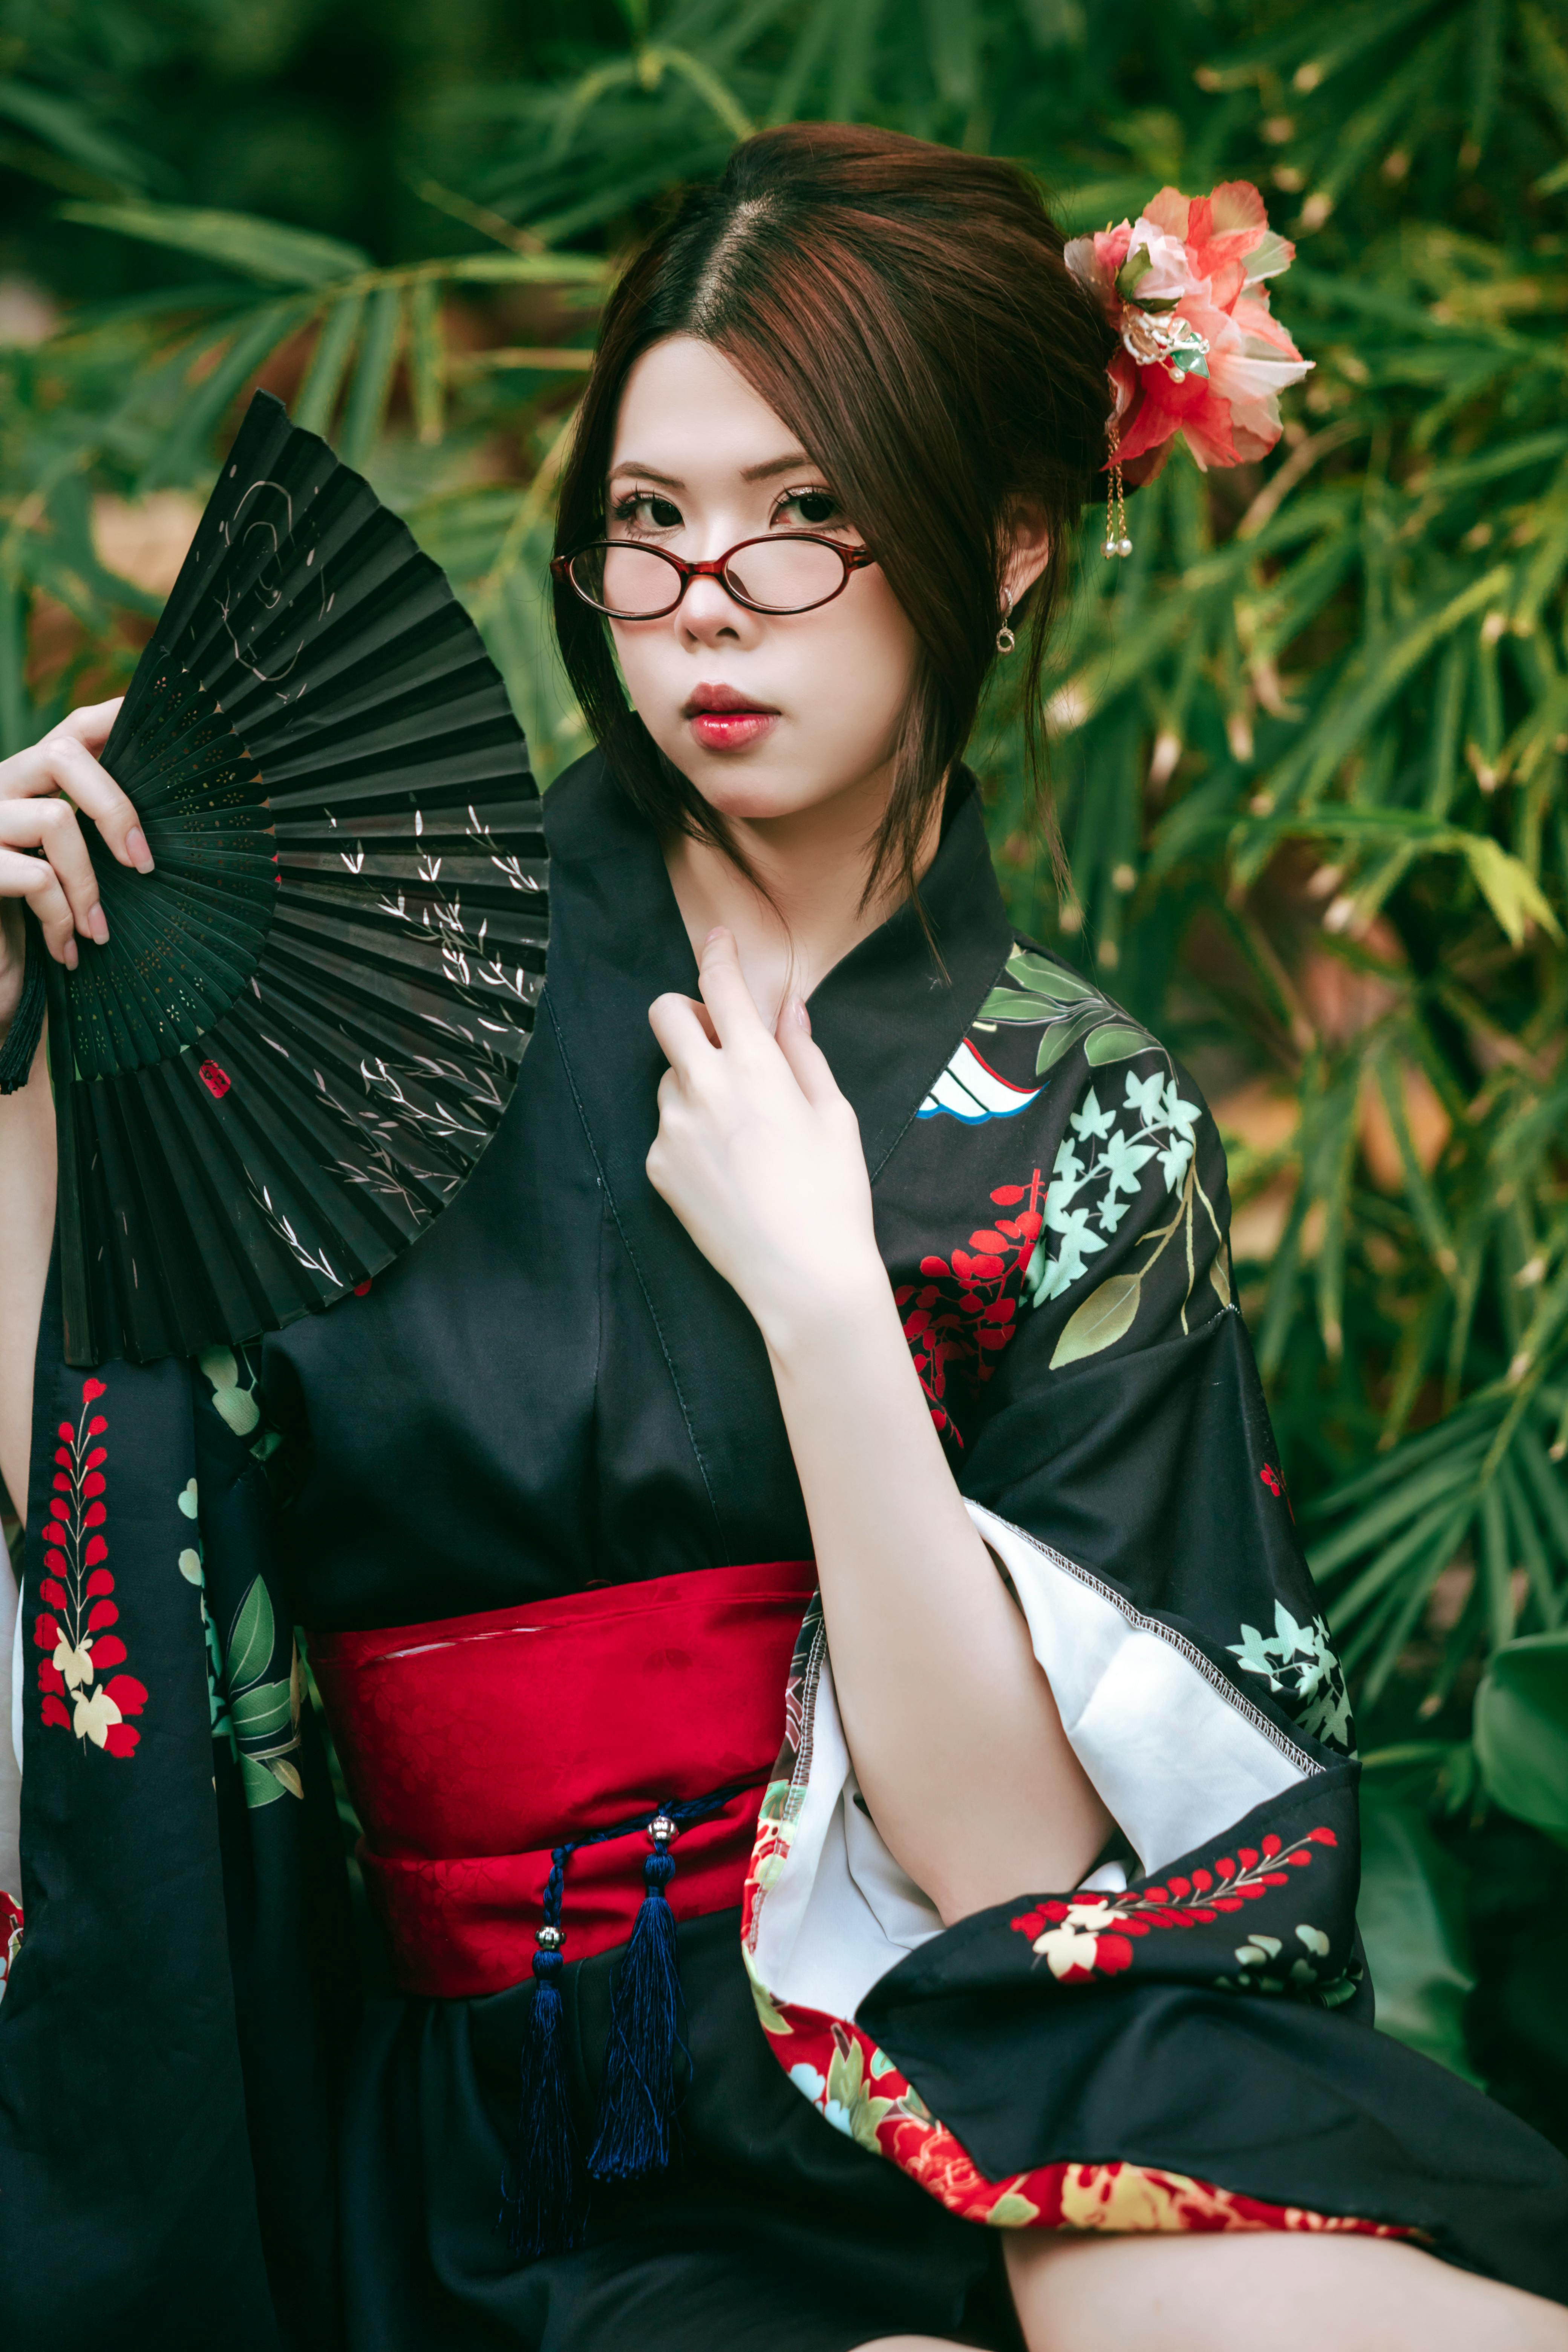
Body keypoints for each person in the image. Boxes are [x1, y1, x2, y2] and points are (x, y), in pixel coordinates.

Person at [1, 122, 1566, 2352]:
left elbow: (1024, 1884)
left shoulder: (1077, 1111)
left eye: (803, 518)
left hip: (980, 2063)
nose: (706, 600)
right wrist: (15, 1053)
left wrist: (833, 1303)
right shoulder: (374, 1003)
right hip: (570, 2129)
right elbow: (99, 1515)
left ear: (1010, 542)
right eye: (649, 525)